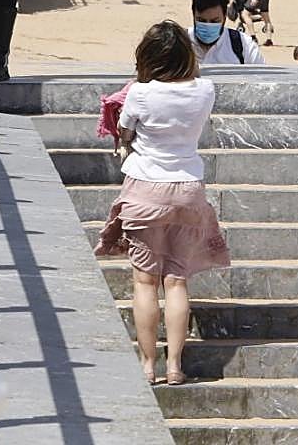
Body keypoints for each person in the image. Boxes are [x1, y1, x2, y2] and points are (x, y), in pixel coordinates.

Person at [94, 20, 230, 387]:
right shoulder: (206, 90)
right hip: (188, 187)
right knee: (177, 280)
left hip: (145, 188)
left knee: (144, 281)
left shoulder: (140, 92)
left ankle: (147, 364)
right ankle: (174, 366)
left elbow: (124, 130)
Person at [188, 0, 263, 65]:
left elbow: (261, 75)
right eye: (201, 20)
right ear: (193, 16)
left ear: (224, 18)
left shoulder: (245, 45)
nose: (208, 25)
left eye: (214, 21)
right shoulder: (180, 43)